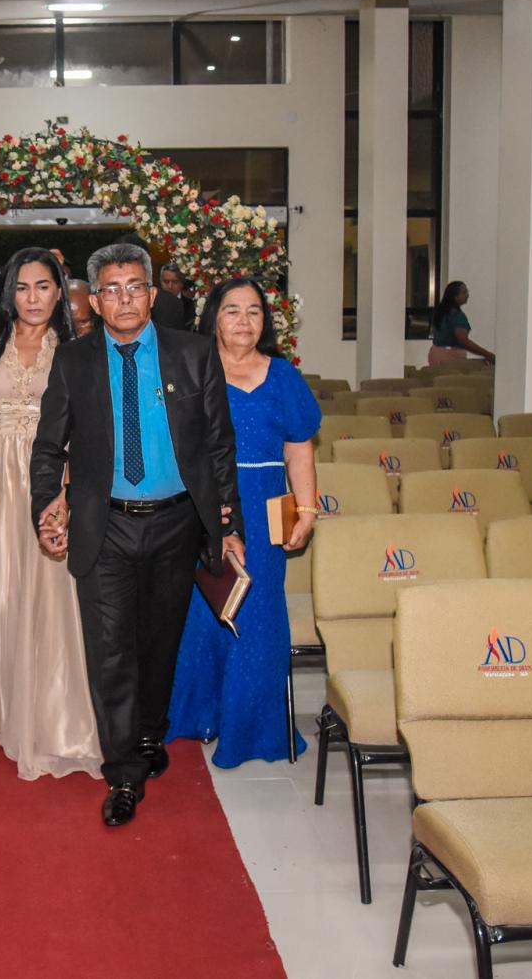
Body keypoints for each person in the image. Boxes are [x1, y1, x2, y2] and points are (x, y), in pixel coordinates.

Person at [31, 243, 244, 827]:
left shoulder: (194, 354)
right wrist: (46, 508)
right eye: (111, 290)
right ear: (94, 301)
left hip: (178, 523)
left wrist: (230, 525)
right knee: (112, 652)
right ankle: (122, 772)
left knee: (158, 643)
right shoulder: (73, 361)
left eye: (135, 287)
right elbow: (48, 447)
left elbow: (219, 446)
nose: (124, 299)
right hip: (106, 525)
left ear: (153, 295)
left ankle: (149, 735)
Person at [0, 248, 100, 781]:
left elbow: (90, 429)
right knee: (0, 582)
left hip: (52, 480)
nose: (33, 298)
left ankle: (52, 708)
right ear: (9, 292)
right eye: (23, 287)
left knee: (53, 590)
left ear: (60, 292)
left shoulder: (78, 352)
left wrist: (70, 490)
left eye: (44, 287)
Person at [166, 279, 321, 767]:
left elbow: (299, 450)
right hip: (202, 503)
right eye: (232, 310)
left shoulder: (283, 376)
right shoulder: (192, 369)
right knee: (203, 610)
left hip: (269, 504)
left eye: (254, 312)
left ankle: (252, 730)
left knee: (258, 612)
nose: (244, 321)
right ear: (213, 316)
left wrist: (308, 509)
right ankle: (197, 714)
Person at [428, 280, 495, 365]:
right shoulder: (457, 315)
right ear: (455, 296)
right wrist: (487, 354)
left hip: (435, 353)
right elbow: (463, 342)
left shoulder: (439, 312)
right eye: (464, 292)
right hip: (450, 357)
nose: (467, 295)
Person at [159, 263, 197, 328]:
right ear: (160, 282)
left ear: (181, 283)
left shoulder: (191, 306)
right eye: (166, 281)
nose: (170, 286)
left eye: (175, 282)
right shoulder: (151, 304)